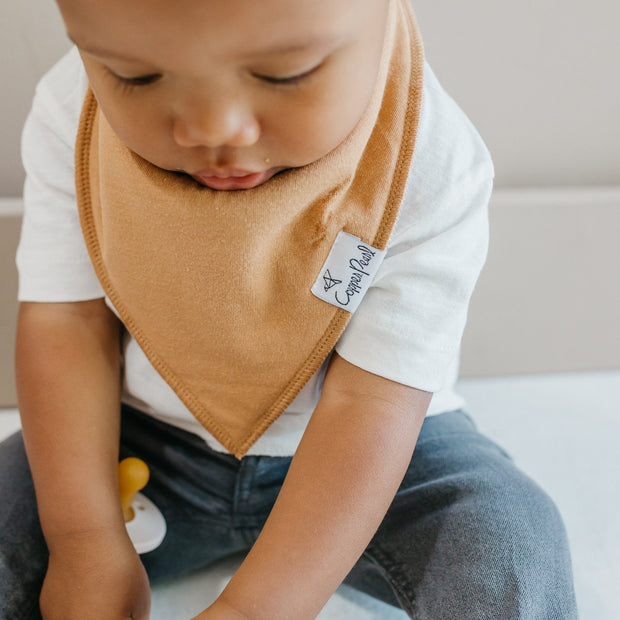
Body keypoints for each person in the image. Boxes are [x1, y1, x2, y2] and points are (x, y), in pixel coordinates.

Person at [0, 0, 578, 618]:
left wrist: (258, 608)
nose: (211, 129)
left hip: (379, 459)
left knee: (514, 542)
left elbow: (372, 400)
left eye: (285, 73)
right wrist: (82, 539)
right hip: (143, 447)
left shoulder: (428, 157)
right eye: (137, 77)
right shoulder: (75, 113)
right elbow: (69, 321)